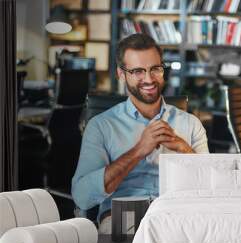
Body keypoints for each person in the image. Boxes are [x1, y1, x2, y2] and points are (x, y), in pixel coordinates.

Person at [71, 34, 209, 232]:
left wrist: (184, 149)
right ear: (121, 74)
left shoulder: (191, 124)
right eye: (137, 71)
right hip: (124, 216)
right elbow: (82, 197)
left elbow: (211, 188)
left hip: (178, 215)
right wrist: (138, 151)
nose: (149, 79)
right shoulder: (101, 126)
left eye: (155, 69)